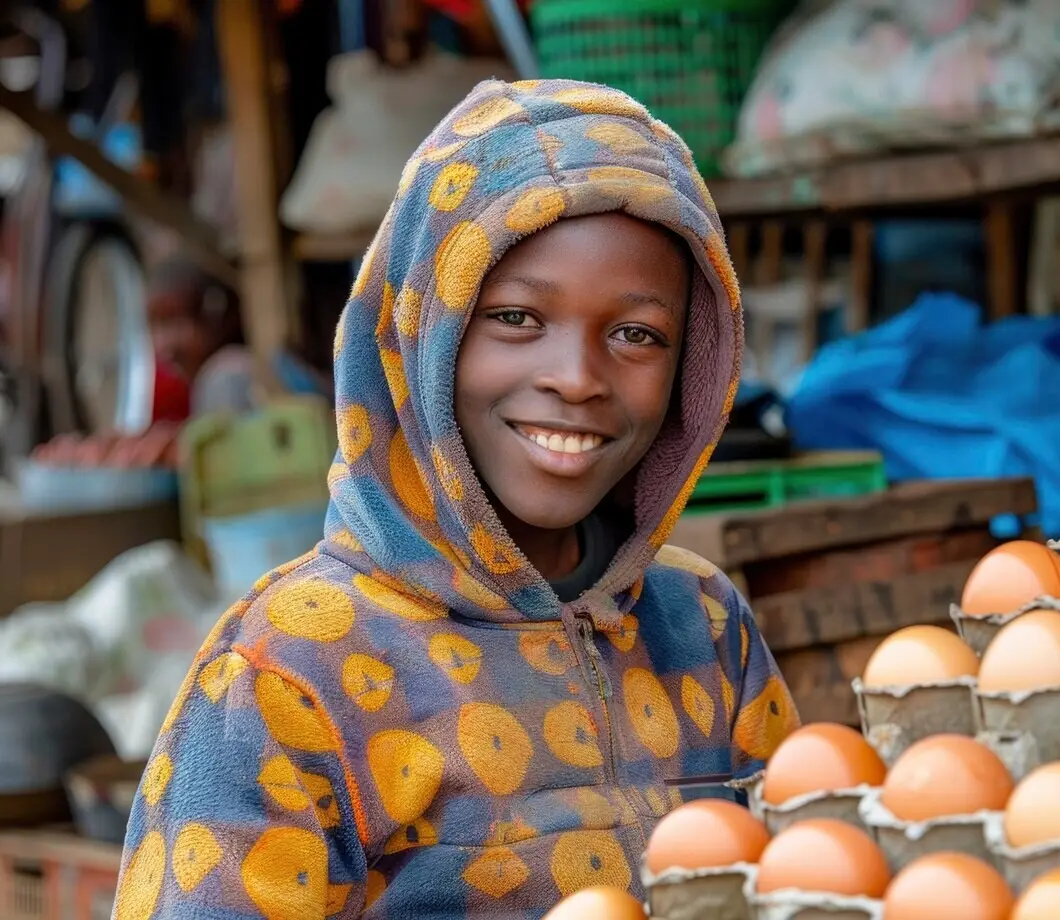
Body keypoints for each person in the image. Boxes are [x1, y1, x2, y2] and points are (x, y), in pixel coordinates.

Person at [111, 79, 800, 918]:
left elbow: (806, 878)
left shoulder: (703, 625)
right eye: (515, 318)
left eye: (635, 334)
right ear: (417, 336)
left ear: (695, 369)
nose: (576, 378)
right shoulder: (285, 674)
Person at [146, 257, 330, 418]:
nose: (162, 345)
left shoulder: (227, 378)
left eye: (175, 321)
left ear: (216, 315)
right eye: (154, 324)